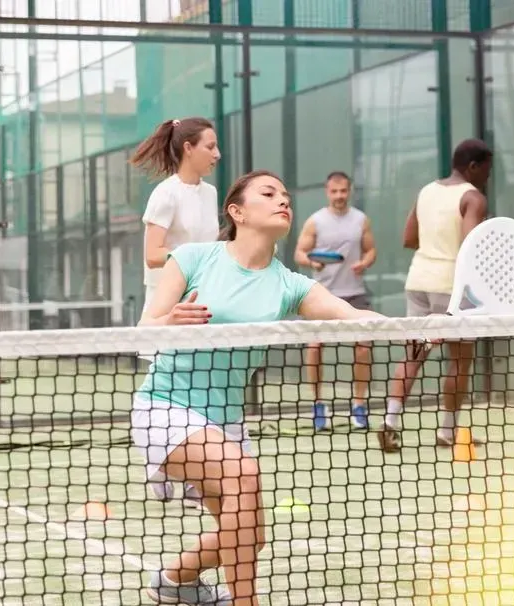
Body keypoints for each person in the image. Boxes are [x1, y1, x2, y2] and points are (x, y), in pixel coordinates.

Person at [132, 170, 383, 606]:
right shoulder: (193, 259)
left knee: (250, 539)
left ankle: (173, 581)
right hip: (165, 408)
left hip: (225, 421)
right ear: (237, 212)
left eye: (285, 195)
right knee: (245, 475)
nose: (282, 201)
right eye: (268, 194)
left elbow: (347, 312)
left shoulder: (288, 283)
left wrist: (417, 328)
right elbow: (142, 331)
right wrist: (169, 323)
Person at [377, 139, 493, 453]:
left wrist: (436, 247)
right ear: (473, 166)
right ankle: (447, 431)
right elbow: (471, 248)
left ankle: (389, 422)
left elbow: (409, 238)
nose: (487, 176)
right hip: (451, 288)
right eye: (486, 169)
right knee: (459, 362)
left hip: (418, 281)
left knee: (412, 355)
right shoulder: (473, 198)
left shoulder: (426, 191)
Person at [130, 116, 222, 509]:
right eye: (210, 146)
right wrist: (192, 256)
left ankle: (192, 475)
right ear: (189, 148)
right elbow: (152, 256)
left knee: (200, 387)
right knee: (164, 388)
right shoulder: (164, 195)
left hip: (202, 302)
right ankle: (157, 462)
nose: (217, 154)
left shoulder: (211, 192)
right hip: (167, 304)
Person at [293, 171, 377, 432]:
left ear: (349, 191)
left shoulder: (360, 220)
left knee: (363, 347)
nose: (339, 196)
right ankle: (318, 405)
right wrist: (312, 262)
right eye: (334, 191)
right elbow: (299, 252)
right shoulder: (315, 221)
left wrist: (365, 262)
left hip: (354, 293)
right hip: (323, 295)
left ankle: (360, 405)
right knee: (315, 347)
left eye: (343, 191)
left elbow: (371, 249)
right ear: (327, 192)